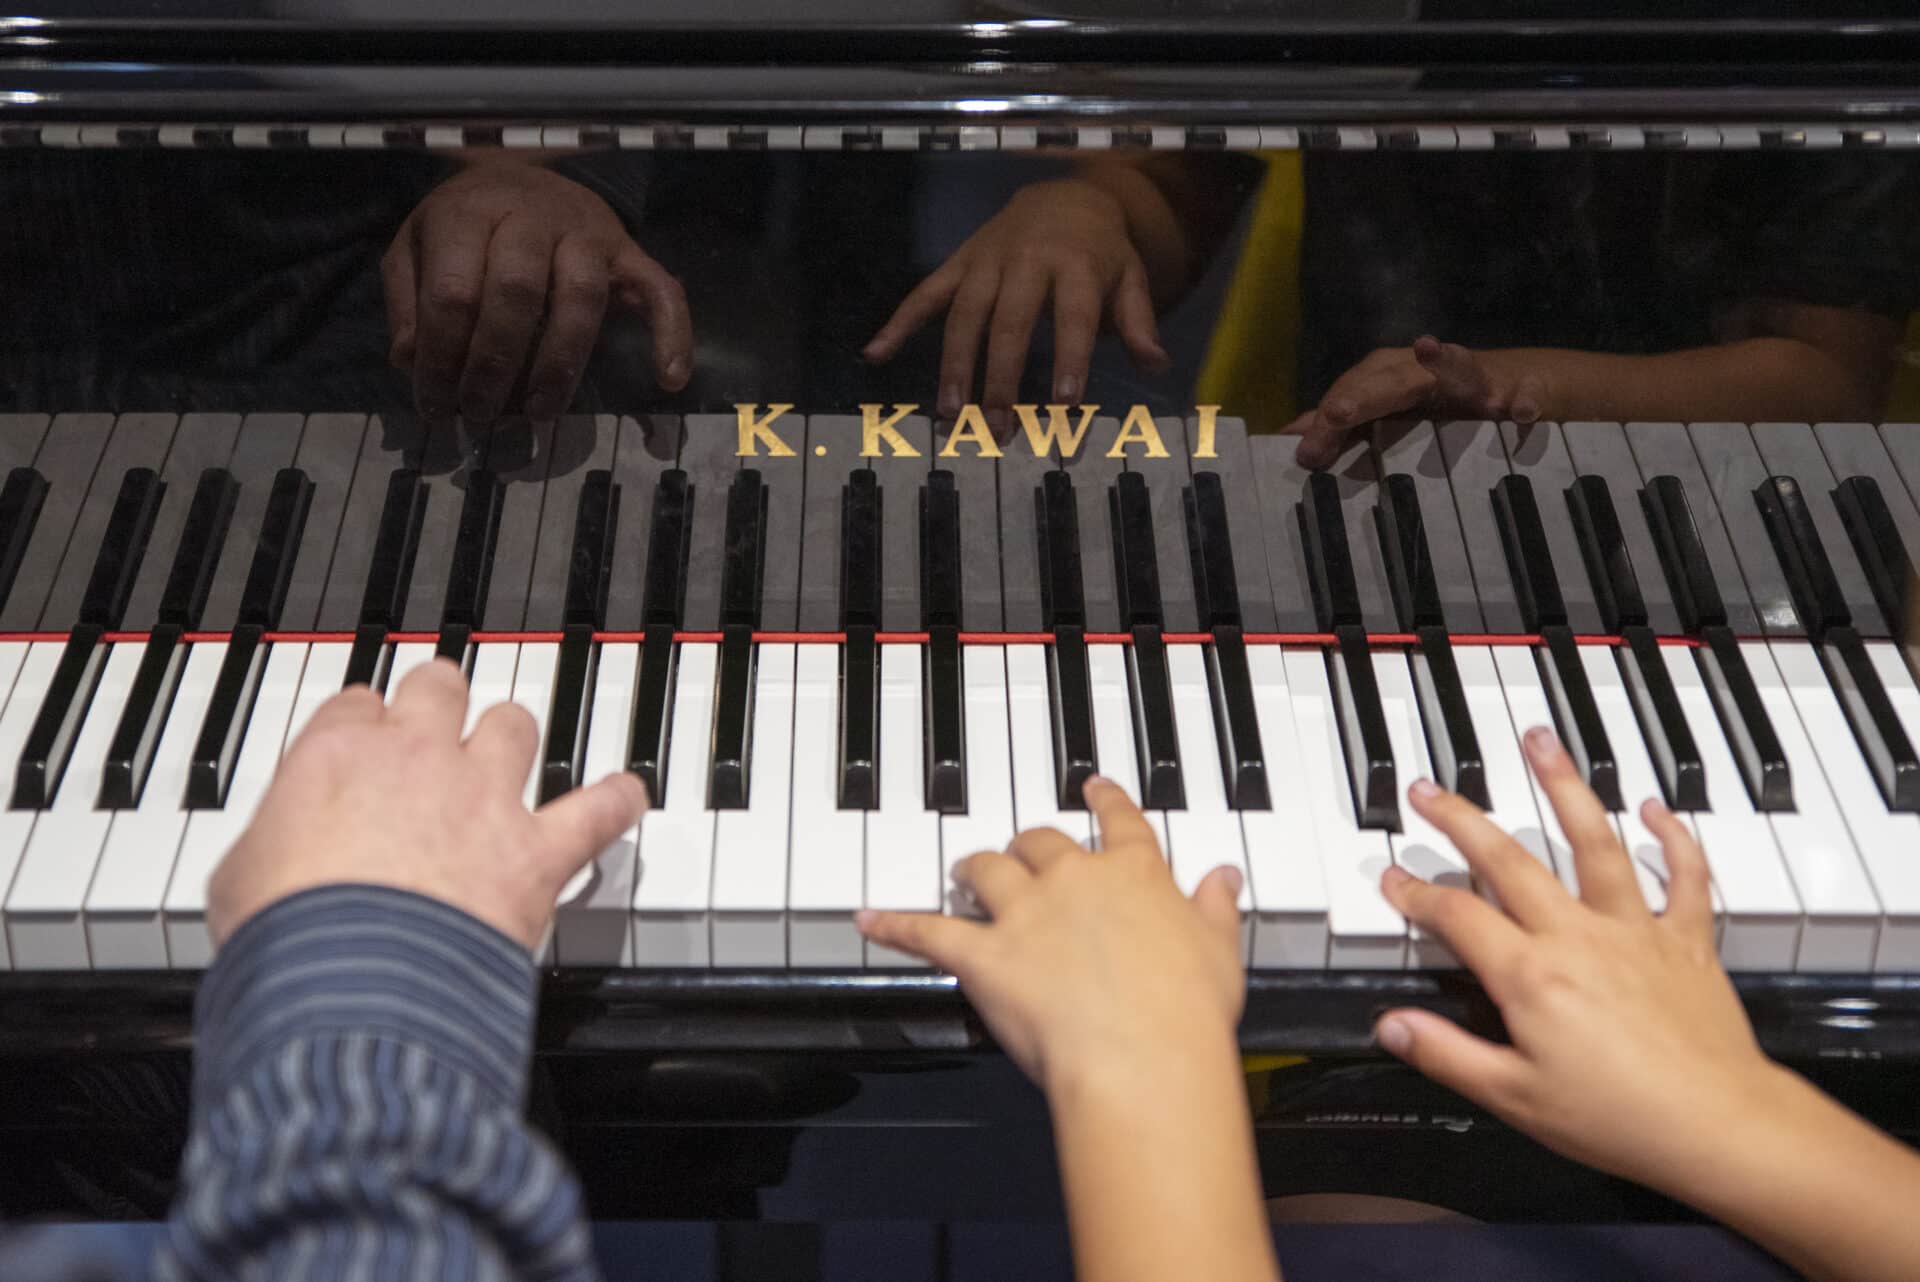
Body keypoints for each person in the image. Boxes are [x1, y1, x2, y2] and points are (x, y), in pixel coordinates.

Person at [863, 149, 1919, 464]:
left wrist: (1517, 387)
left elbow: (1823, 377)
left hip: (1724, 529)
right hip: (1366, 480)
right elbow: (1177, 170)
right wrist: (1087, 207)